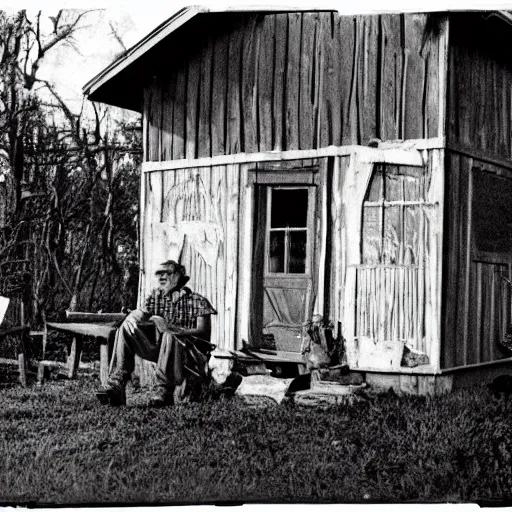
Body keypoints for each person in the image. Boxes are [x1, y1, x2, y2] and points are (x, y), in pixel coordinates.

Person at [97, 260, 217, 407]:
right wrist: (133, 317)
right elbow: (142, 312)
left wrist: (179, 331)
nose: (161, 277)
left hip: (189, 354)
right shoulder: (157, 298)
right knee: (126, 327)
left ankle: (163, 390)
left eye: (167, 273)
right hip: (162, 350)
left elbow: (203, 331)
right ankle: (117, 383)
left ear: (179, 277)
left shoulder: (197, 301)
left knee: (169, 335)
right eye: (159, 274)